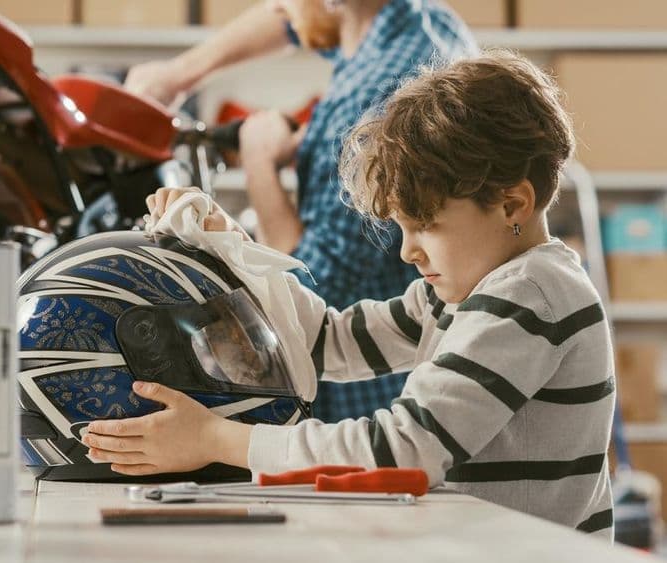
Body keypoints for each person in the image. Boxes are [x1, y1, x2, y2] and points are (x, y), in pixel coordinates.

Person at [84, 51, 616, 537]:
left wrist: (217, 440)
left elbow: (403, 451)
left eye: (426, 226)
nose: (408, 252)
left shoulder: (529, 295)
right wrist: (231, 247)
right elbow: (326, 343)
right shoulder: (464, 291)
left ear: (511, 205)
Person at [125, 0, 478, 422]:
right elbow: (296, 24)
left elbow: (313, 290)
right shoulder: (422, 26)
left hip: (360, 404)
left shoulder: (373, 99)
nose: (277, 8)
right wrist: (178, 75)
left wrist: (260, 163)